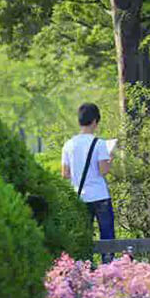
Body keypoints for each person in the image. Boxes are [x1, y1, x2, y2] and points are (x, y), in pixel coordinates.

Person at [62, 103, 116, 262]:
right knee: (107, 235)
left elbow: (65, 174)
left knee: (83, 236)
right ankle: (108, 269)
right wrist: (109, 160)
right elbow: (103, 170)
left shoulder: (68, 145)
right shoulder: (99, 144)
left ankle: (85, 268)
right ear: (94, 121)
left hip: (79, 197)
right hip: (99, 196)